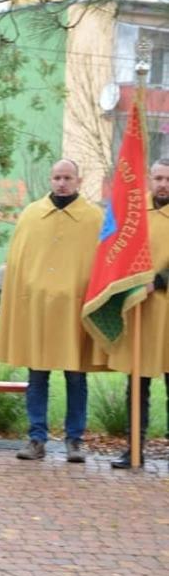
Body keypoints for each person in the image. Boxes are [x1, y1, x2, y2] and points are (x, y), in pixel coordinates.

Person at [0, 159, 104, 463]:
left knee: (75, 377)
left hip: (75, 312)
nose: (62, 183)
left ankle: (74, 440)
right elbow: (18, 263)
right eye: (57, 177)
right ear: (50, 179)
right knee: (38, 376)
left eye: (68, 177)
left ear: (78, 181)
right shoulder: (31, 215)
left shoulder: (94, 218)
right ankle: (36, 438)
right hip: (39, 312)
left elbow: (103, 264)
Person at [108, 159, 169, 469]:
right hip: (140, 312)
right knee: (137, 384)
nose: (163, 184)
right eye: (158, 178)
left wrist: (158, 281)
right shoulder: (135, 215)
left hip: (166, 310)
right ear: (149, 179)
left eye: (167, 179)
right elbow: (117, 248)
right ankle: (134, 449)